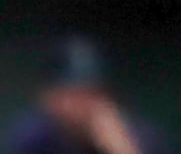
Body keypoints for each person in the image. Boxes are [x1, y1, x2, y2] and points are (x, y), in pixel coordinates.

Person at [2, 37, 166, 154]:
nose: (82, 104)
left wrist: (120, 147)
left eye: (91, 94)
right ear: (49, 97)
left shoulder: (137, 136)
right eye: (72, 94)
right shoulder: (33, 139)